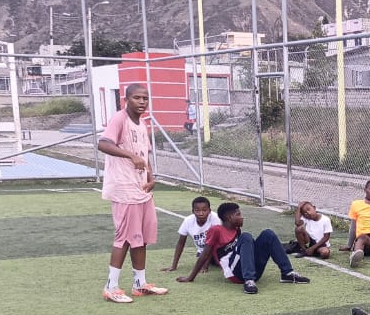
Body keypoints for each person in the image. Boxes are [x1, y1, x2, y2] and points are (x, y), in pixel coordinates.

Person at [97, 83, 167, 303]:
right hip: (124, 188)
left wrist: (150, 176)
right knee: (124, 238)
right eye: (137, 98)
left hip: (140, 188)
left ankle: (140, 284)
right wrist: (130, 156)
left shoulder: (142, 123)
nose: (142, 102)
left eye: (145, 98)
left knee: (141, 238)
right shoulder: (120, 119)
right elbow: (103, 144)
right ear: (126, 100)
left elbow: (144, 154)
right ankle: (111, 287)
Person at [175, 202, 312, 294]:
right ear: (229, 217)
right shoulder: (216, 230)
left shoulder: (236, 230)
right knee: (247, 237)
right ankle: (249, 281)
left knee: (268, 234)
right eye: (238, 214)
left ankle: (287, 273)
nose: (242, 217)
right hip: (236, 274)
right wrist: (190, 277)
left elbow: (246, 251)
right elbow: (205, 254)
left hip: (250, 269)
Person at [161, 196, 216, 273]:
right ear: (193, 211)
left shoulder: (215, 219)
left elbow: (213, 244)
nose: (201, 213)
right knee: (204, 258)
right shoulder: (188, 221)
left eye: (204, 210)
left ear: (209, 211)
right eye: (197, 210)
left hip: (218, 250)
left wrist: (205, 267)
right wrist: (174, 266)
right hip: (203, 252)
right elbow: (181, 243)